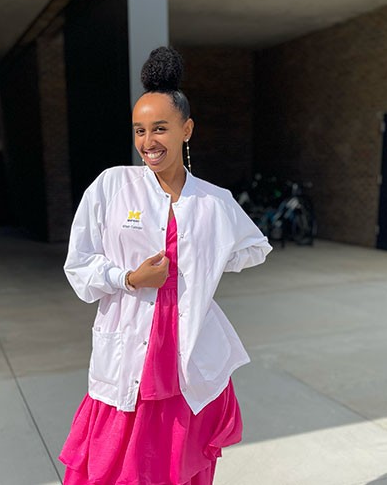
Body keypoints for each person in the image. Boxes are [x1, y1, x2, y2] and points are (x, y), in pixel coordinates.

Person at [58, 46, 272, 485]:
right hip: (129, 348)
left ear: (186, 129)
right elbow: (78, 266)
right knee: (116, 466)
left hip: (186, 354)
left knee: (174, 464)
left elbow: (255, 247)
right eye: (139, 130)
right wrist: (129, 278)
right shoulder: (112, 186)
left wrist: (207, 263)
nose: (148, 143)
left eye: (160, 128)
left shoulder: (214, 200)